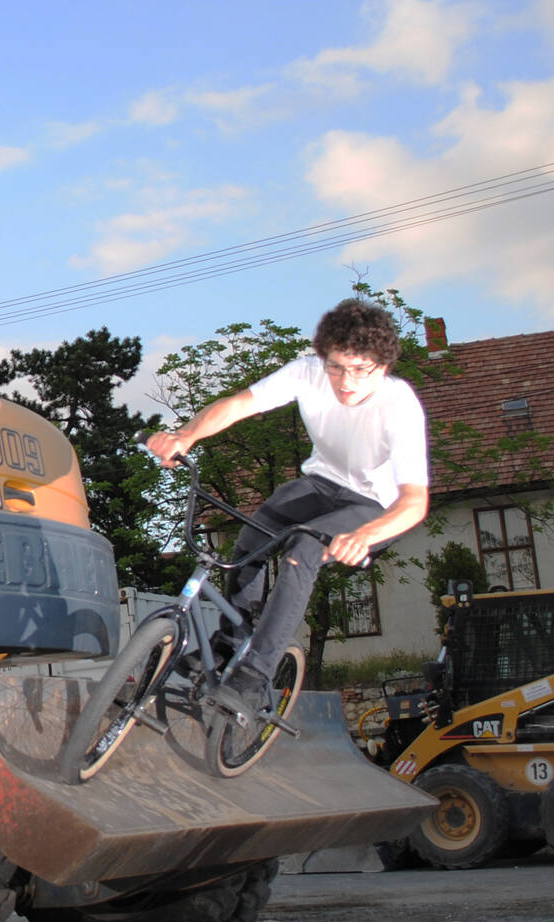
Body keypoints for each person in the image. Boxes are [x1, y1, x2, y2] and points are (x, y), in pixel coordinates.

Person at [145, 298, 430, 720]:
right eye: (336, 367)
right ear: (324, 358)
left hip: (375, 508)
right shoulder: (307, 372)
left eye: (360, 370)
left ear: (382, 367)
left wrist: (364, 536)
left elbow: (414, 501)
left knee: (302, 549)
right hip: (321, 484)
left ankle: (255, 676)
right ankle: (229, 646)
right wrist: (185, 436)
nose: (346, 382)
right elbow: (239, 403)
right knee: (252, 538)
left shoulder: (399, 405)